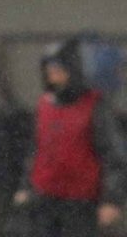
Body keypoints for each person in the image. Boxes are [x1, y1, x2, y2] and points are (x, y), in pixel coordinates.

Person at [13, 37, 126, 237]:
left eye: (59, 72)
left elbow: (113, 156)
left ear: (73, 71)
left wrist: (111, 199)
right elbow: (36, 151)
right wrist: (26, 186)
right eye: (50, 73)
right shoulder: (44, 106)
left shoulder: (95, 107)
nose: (54, 78)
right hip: (44, 199)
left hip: (81, 202)